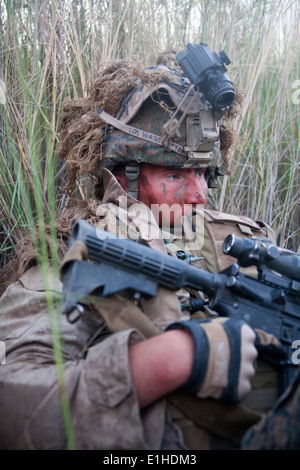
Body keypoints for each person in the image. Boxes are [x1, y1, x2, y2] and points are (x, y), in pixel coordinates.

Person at [0, 49, 296, 450]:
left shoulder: (239, 236)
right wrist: (165, 363)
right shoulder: (83, 251)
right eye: (175, 175)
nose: (199, 195)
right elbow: (13, 407)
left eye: (204, 173)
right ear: (125, 172)